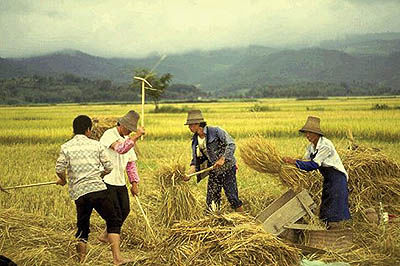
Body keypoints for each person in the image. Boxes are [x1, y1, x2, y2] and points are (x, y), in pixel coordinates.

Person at [55, 115, 131, 265]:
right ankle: (117, 258)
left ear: (74, 130)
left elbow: (59, 168)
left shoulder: (66, 147)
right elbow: (109, 167)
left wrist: (63, 180)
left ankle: (82, 261)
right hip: (98, 190)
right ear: (88, 130)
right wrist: (100, 174)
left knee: (83, 226)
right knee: (114, 220)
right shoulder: (96, 145)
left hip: (79, 193)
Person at [282, 116, 351, 229]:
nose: (307, 136)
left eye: (309, 133)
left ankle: (337, 230)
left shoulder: (325, 145)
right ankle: (328, 228)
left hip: (337, 177)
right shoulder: (311, 147)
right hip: (328, 178)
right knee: (326, 204)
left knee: (335, 204)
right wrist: (290, 164)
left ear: (316, 133)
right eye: (306, 133)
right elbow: (305, 160)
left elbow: (314, 165)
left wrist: (295, 162)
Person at [98, 110, 145, 242]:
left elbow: (131, 165)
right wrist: (136, 136)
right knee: (115, 213)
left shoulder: (128, 139)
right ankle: (114, 242)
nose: (130, 132)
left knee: (125, 210)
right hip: (107, 180)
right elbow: (120, 149)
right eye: (129, 129)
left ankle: (106, 234)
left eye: (132, 130)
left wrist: (134, 183)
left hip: (120, 181)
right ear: (122, 125)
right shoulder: (109, 135)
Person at [183, 110, 243, 212]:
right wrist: (188, 174)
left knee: (232, 196)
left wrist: (223, 159)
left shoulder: (215, 131)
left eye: (190, 125)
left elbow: (231, 144)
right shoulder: (195, 141)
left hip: (227, 168)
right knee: (212, 200)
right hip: (214, 170)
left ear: (197, 124)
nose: (189, 127)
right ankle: (214, 220)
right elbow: (195, 162)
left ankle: (246, 220)